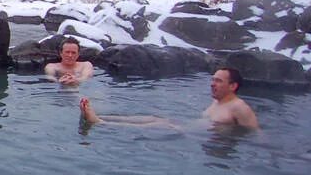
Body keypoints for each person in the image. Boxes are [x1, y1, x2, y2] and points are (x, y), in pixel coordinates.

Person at [79, 67, 259, 130]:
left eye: (218, 81)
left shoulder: (239, 108)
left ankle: (99, 122)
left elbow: (255, 134)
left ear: (233, 86)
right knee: (154, 118)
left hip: (188, 133)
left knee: (161, 125)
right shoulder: (218, 102)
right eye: (212, 80)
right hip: (188, 126)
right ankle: (104, 116)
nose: (212, 84)